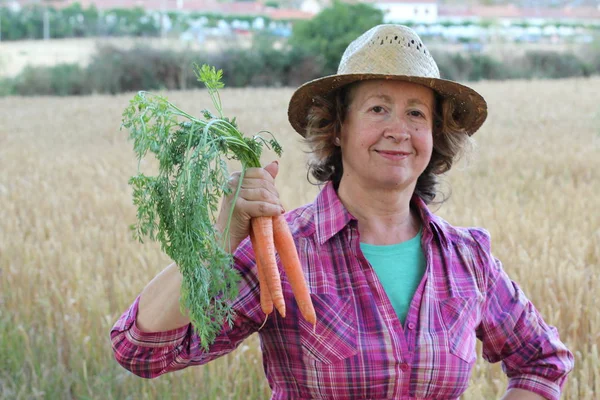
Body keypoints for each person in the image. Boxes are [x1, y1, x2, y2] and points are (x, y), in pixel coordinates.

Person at [110, 24, 573, 399]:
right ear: (337, 128)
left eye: (416, 114)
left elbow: (543, 361)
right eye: (378, 109)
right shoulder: (283, 251)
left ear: (435, 137)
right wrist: (221, 236)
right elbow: (141, 351)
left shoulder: (466, 257)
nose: (399, 130)